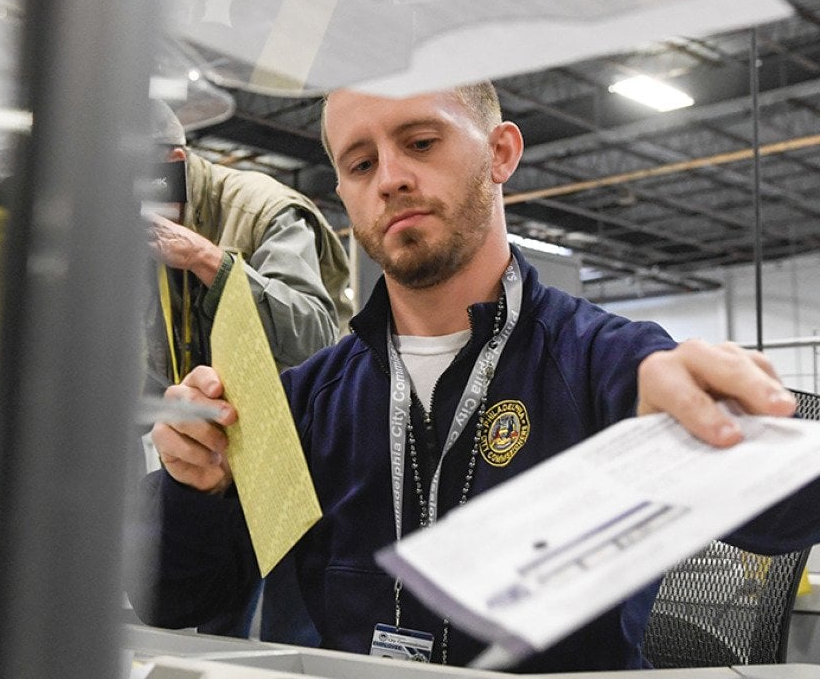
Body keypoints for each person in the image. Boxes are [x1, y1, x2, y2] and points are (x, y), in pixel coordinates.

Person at [131, 83, 818, 672]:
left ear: (500, 153)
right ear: (343, 193)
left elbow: (791, 517)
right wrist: (196, 485)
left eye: (421, 142)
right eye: (361, 162)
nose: (390, 178)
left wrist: (730, 432)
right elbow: (172, 599)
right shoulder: (307, 399)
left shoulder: (610, 362)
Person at [138, 100, 353, 639]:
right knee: (200, 619)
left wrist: (205, 259)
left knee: (288, 625)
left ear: (172, 162)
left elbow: (313, 333)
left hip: (299, 457)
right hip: (208, 455)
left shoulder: (266, 209)